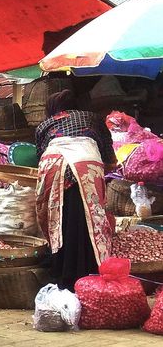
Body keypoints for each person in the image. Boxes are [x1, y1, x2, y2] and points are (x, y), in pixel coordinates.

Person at [35, 90, 116, 291]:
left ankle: (61, 271)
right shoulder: (93, 118)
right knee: (92, 216)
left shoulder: (45, 124)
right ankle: (90, 270)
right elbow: (109, 155)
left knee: (57, 216)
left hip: (54, 163)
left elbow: (39, 154)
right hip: (86, 162)